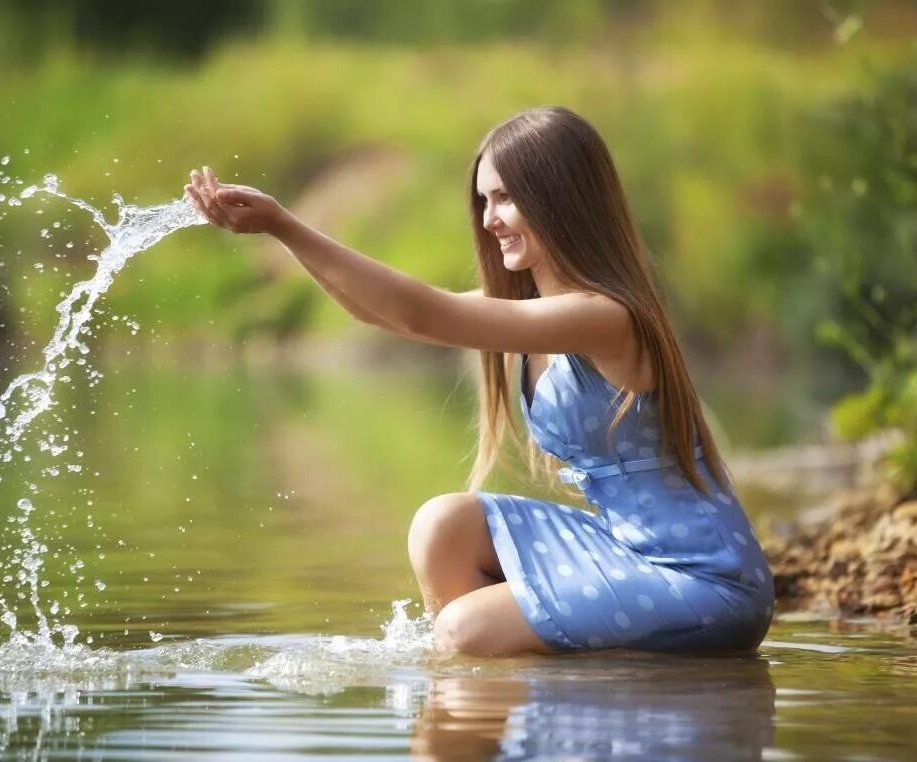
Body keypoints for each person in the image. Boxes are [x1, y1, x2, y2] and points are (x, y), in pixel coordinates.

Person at [184, 106, 774, 657]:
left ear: (558, 200)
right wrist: (280, 234)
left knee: (464, 630)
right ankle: (511, 708)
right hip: (623, 549)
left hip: (703, 581)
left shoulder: (604, 316)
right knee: (445, 526)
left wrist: (287, 223)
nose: (489, 220)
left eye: (504, 199)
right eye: (484, 200)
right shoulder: (536, 313)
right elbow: (380, 314)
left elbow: (420, 312)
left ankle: (494, 675)